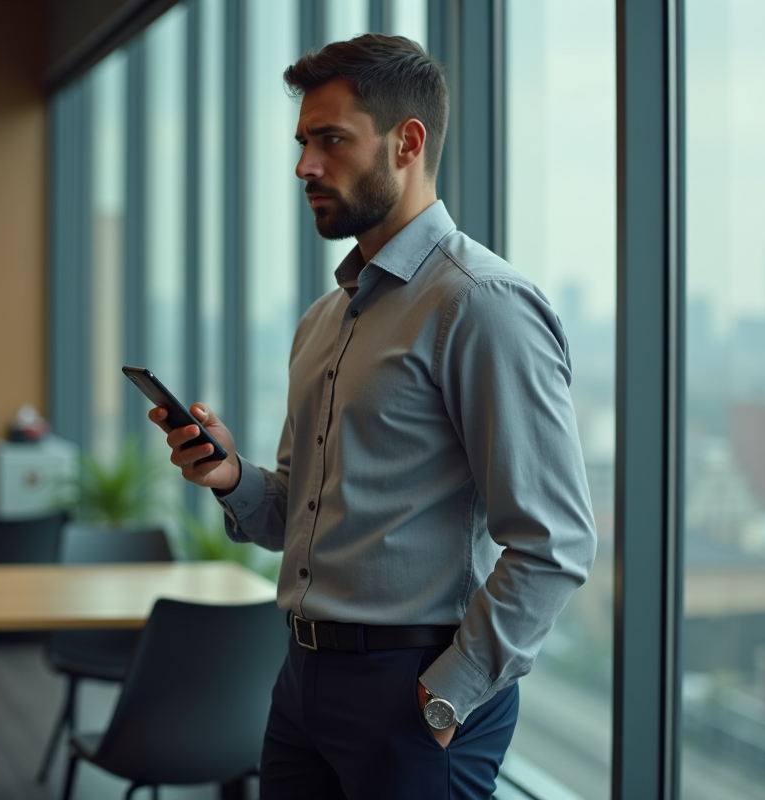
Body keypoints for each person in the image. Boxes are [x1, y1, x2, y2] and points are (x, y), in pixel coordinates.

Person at [149, 33, 597, 800]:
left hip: (414, 694)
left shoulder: (480, 305)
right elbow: (298, 513)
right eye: (302, 143)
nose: (305, 167)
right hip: (301, 679)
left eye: (331, 141)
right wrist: (230, 475)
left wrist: (449, 692)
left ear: (407, 143)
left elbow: (554, 543)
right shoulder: (326, 320)